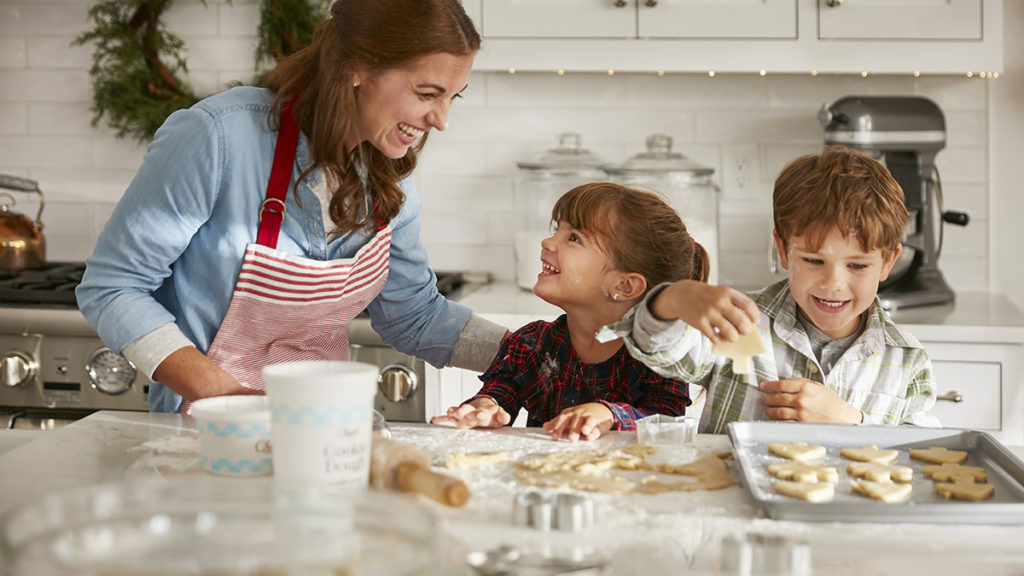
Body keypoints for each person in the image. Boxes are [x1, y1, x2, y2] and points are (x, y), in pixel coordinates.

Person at [75, 0, 508, 413]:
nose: (442, 120)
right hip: (209, 431)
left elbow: (415, 316)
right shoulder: (219, 137)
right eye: (428, 93)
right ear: (358, 66)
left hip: (322, 427)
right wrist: (234, 401)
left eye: (454, 97)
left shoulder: (389, 174)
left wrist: (545, 352)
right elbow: (113, 288)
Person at [598, 145, 940, 433]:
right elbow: (655, 349)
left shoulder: (906, 359)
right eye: (813, 261)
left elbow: (923, 454)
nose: (833, 283)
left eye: (858, 265)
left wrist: (851, 422)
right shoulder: (740, 325)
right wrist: (672, 299)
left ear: (889, 261)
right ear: (782, 250)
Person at [431, 182, 708, 442]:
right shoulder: (533, 344)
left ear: (624, 285)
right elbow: (499, 393)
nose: (548, 242)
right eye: (557, 230)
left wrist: (610, 414)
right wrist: (485, 407)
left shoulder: (657, 358)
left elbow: (667, 422)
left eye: (573, 238)